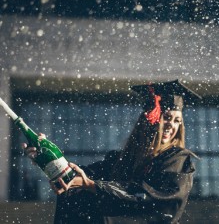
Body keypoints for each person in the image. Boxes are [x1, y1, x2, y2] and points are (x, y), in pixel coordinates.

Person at [22, 79, 201, 224]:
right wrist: (47, 159)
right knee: (75, 197)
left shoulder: (177, 160)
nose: (172, 125)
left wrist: (93, 185)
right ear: (150, 121)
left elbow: (152, 199)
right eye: (167, 118)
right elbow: (79, 175)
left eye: (177, 120)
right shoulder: (123, 159)